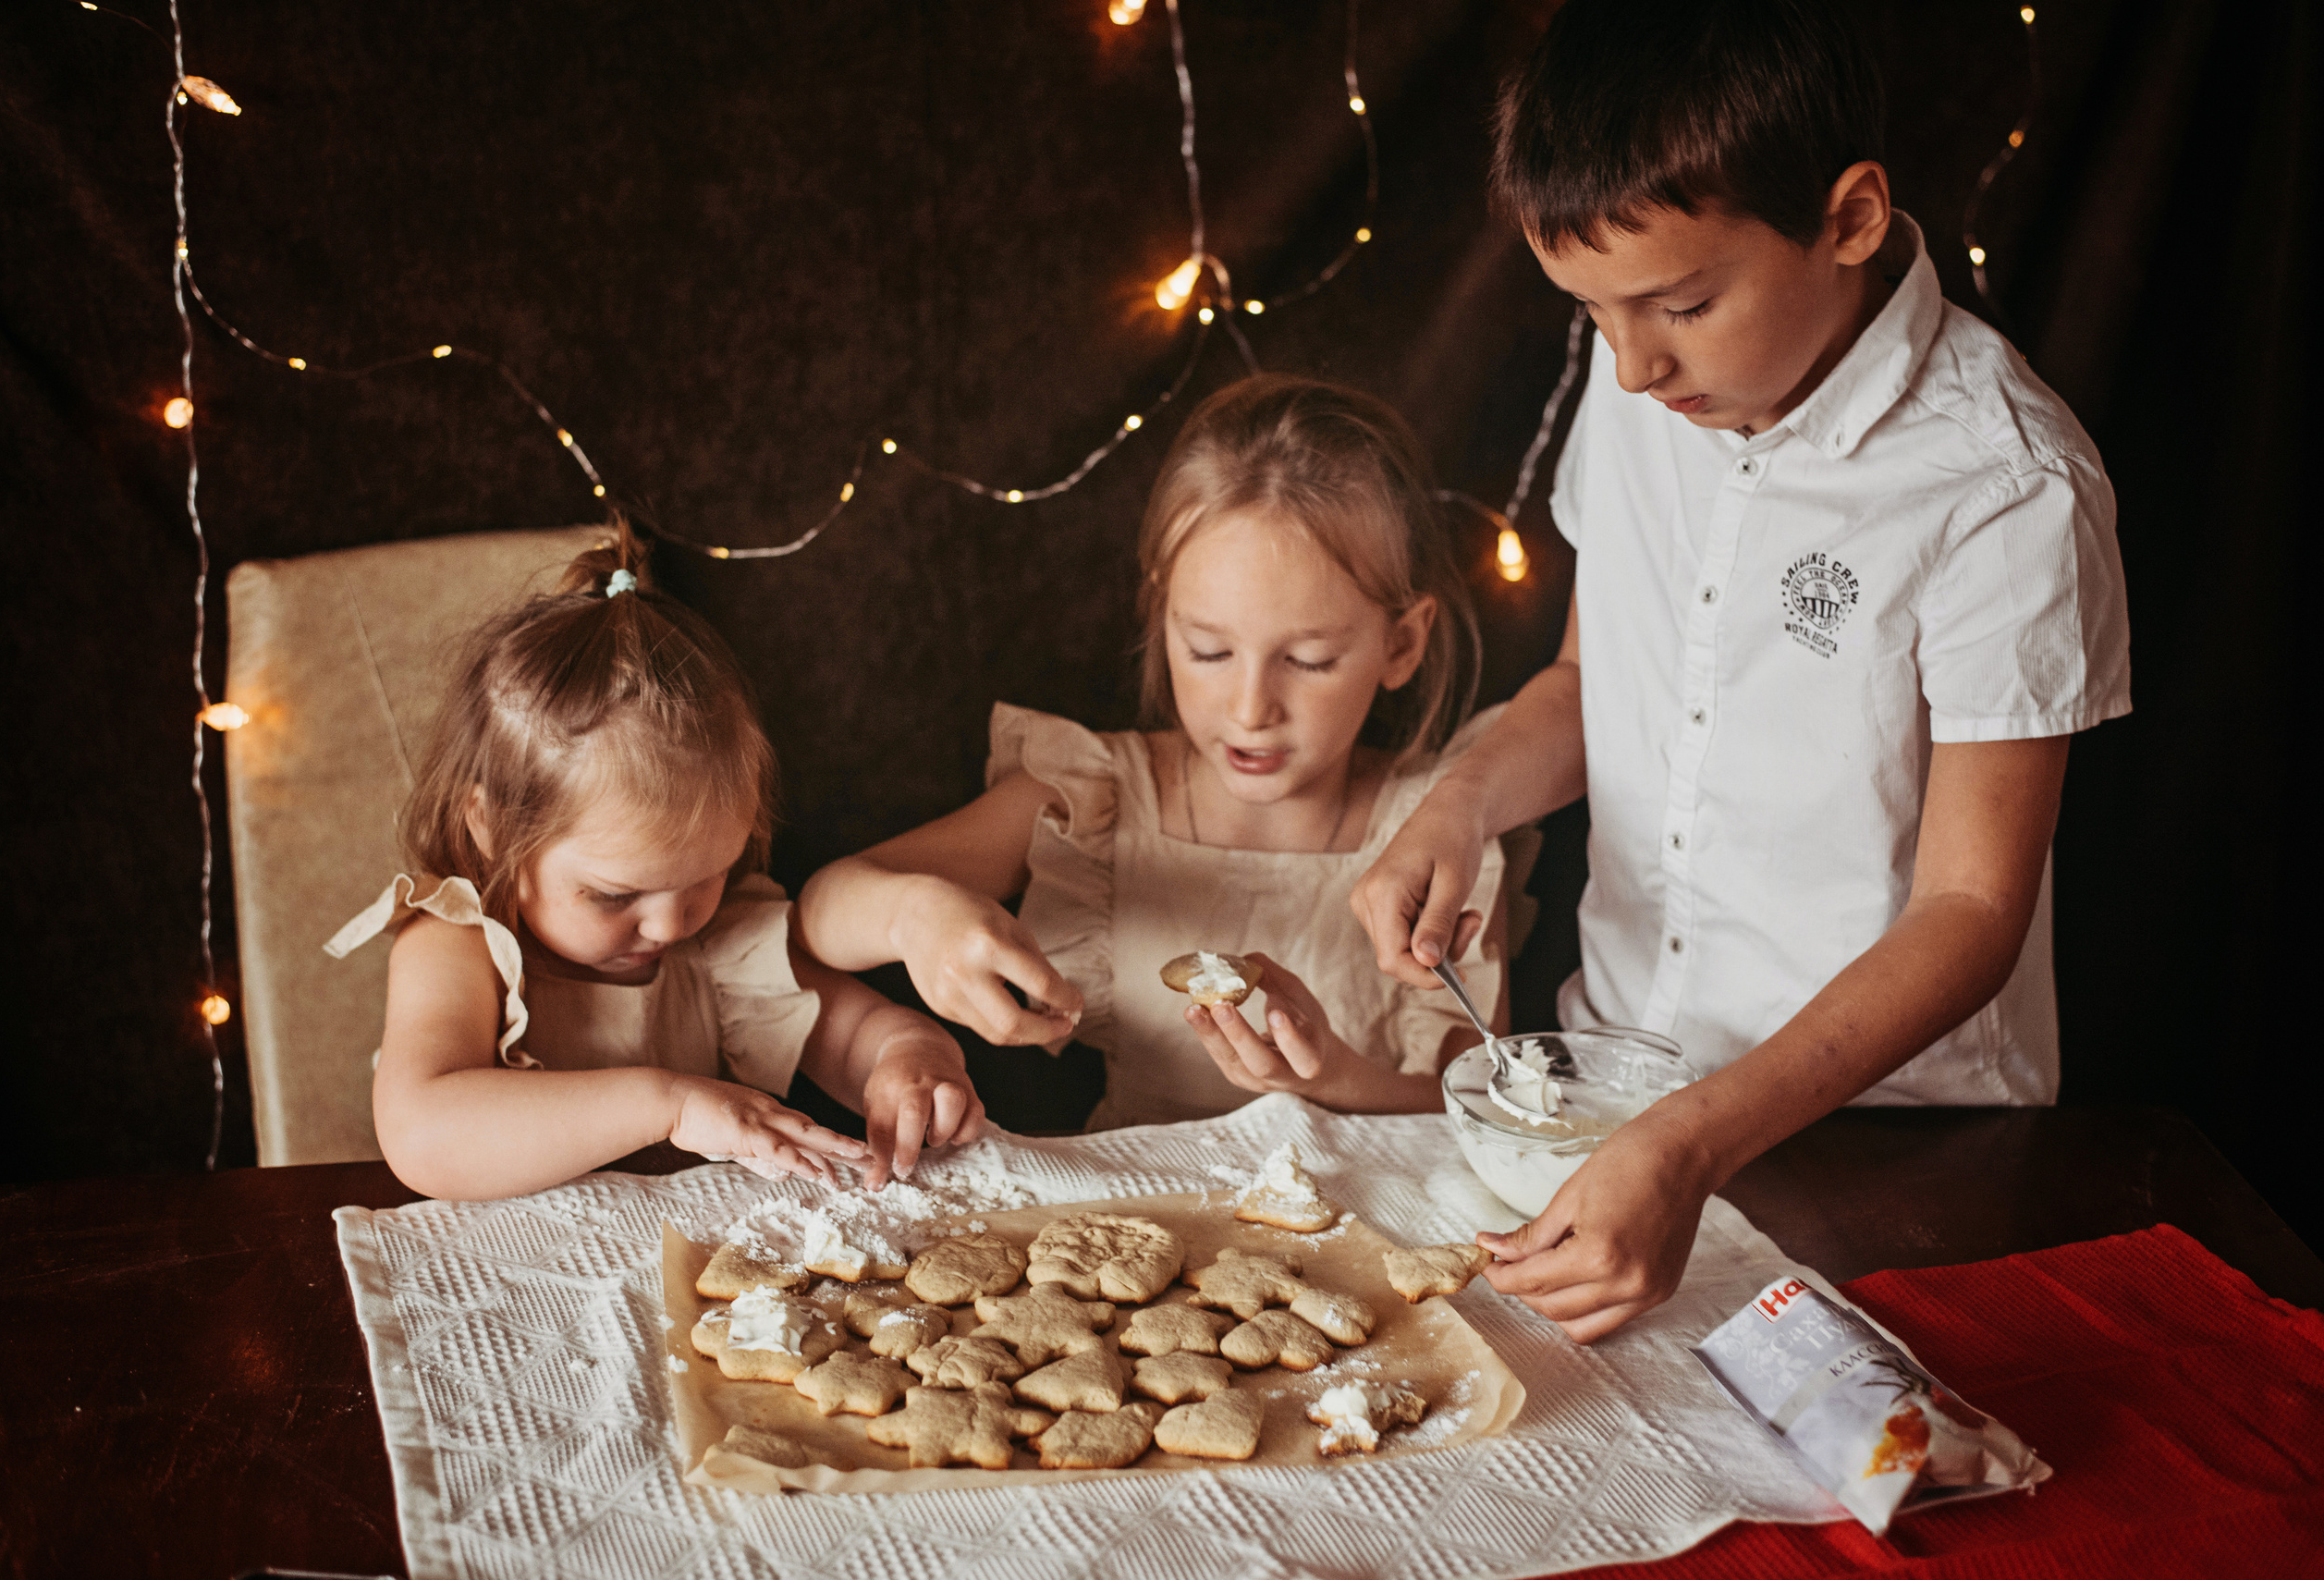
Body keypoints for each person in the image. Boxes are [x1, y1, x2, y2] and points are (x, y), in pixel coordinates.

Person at [1352, 0, 2129, 1341]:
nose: (1633, 365)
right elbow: (1587, 684)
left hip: (1888, 1153)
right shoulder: (1649, 383)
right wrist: (1460, 803)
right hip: (1608, 1106)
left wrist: (1694, 1140)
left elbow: (1970, 910)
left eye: (1685, 305)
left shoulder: (2007, 484)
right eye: (1592, 312)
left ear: (1850, 219)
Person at [796, 374, 1535, 1130]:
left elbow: (1486, 1103)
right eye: (1209, 651)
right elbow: (815, 911)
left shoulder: (1438, 828)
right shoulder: (1095, 798)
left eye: (1308, 660)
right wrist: (911, 915)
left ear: (1401, 644)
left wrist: (1333, 1078)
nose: (1250, 710)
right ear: (1162, 612)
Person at [326, 522, 985, 1200]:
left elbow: (858, 1036)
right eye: (615, 895)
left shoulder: (720, 939)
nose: (672, 924)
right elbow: (422, 1135)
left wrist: (913, 1061)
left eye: (710, 876)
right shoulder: (458, 946)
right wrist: (669, 1105)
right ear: (491, 827)